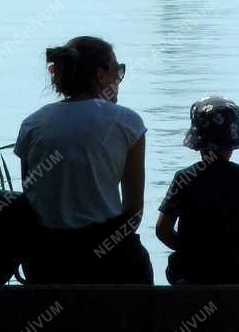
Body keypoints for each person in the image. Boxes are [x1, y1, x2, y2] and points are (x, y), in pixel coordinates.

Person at [15, 36, 153, 284]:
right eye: (117, 72)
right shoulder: (127, 123)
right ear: (101, 76)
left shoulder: (33, 124)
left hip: (47, 258)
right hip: (109, 254)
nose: (119, 80)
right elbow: (133, 214)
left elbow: (31, 200)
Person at [156, 97, 239, 285]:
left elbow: (162, 230)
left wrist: (189, 250)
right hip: (237, 273)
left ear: (197, 141)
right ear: (232, 142)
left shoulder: (183, 178)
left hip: (189, 272)